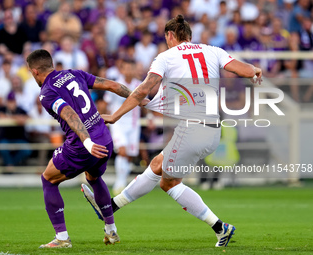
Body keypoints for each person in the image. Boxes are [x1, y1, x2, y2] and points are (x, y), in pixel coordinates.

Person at [83, 14, 262, 247]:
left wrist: (116, 115)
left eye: (166, 37)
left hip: (192, 129)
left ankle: (221, 227)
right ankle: (111, 207)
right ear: (190, 35)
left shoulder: (165, 57)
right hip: (212, 129)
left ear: (170, 36)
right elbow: (244, 70)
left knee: (169, 183)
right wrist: (255, 70)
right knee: (157, 166)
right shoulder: (212, 50)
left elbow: (142, 90)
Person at [26, 49, 142, 248]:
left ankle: (62, 238)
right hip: (105, 138)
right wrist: (139, 98)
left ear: (35, 71)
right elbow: (112, 85)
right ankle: (111, 231)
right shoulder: (74, 73)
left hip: (83, 145)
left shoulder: (46, 93)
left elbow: (70, 114)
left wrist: (87, 143)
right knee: (94, 177)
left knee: (48, 179)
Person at [103, 59, 142, 195]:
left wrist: (149, 118)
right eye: (126, 68)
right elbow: (107, 102)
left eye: (132, 68)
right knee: (123, 151)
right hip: (118, 123)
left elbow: (144, 103)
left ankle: (123, 182)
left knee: (130, 155)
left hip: (133, 124)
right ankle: (119, 183)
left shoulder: (139, 85)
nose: (129, 71)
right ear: (121, 70)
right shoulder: (115, 85)